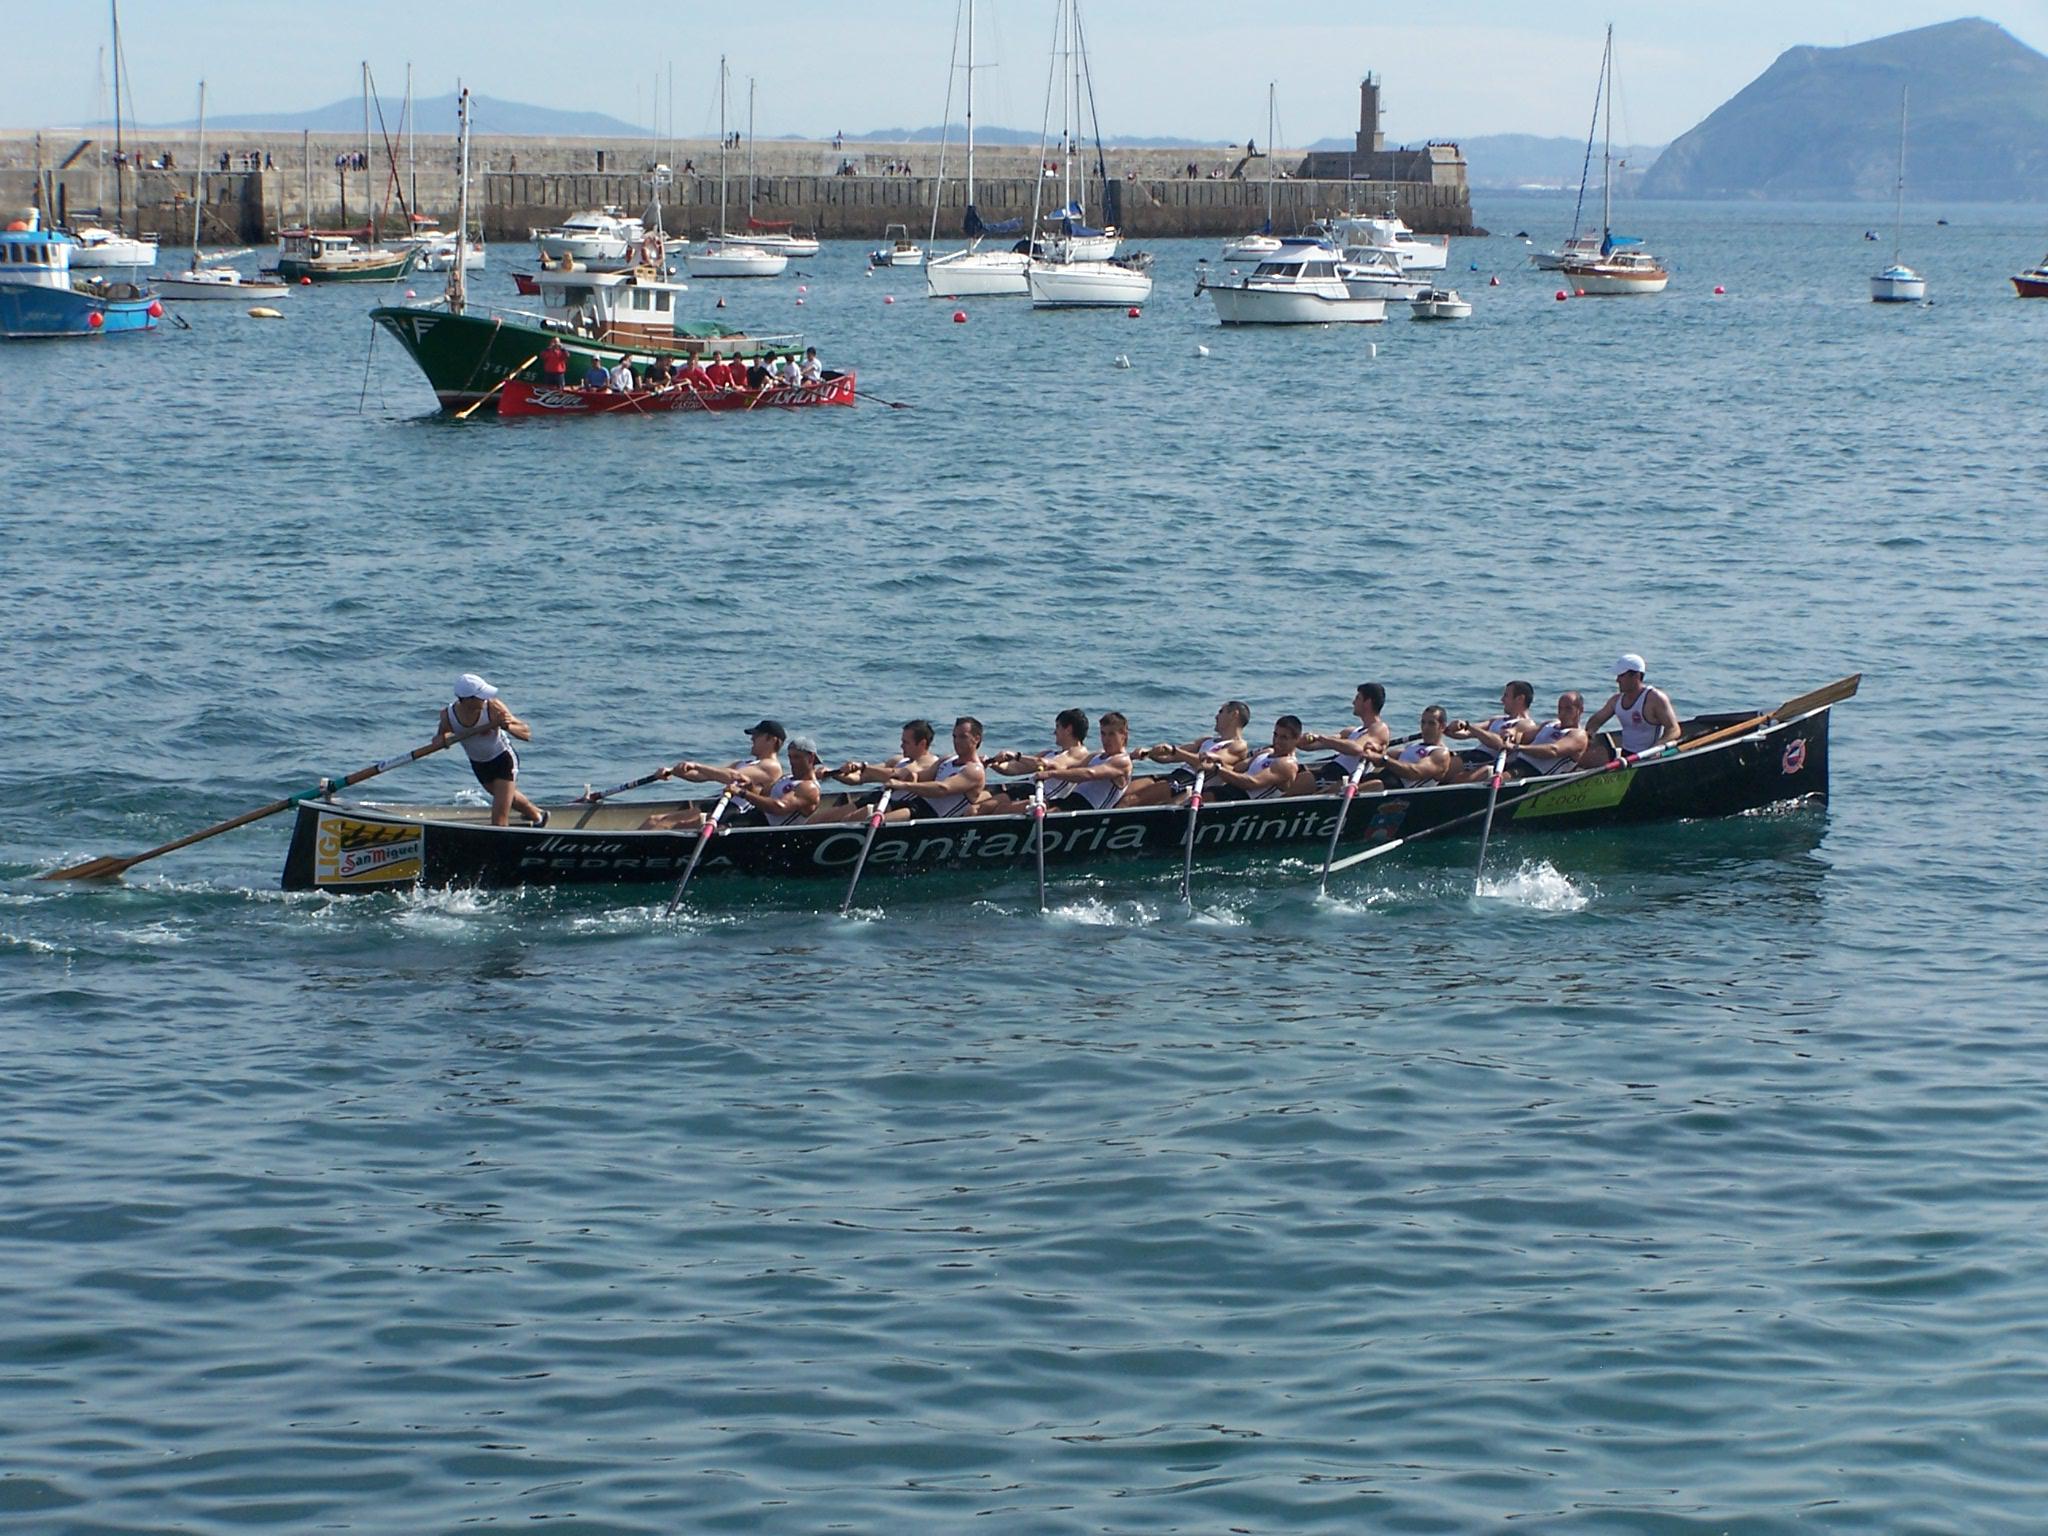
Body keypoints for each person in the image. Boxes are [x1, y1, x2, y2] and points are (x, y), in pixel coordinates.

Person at [432, 673, 545, 828]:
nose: (485, 699)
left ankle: (501, 847)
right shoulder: (448, 715)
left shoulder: (493, 707)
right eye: (480, 696)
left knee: (498, 820)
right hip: (479, 764)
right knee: (508, 798)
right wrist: (440, 740)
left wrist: (507, 726)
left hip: (503, 760)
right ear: (467, 700)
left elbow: (526, 732)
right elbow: (440, 737)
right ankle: (537, 816)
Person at [640, 720, 787, 830]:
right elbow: (703, 776)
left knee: (667, 824)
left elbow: (733, 776)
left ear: (771, 739)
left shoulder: (771, 766)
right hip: (717, 803)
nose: (752, 738)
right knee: (654, 820)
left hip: (732, 811)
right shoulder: (745, 762)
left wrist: (697, 765)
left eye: (757, 735)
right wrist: (674, 771)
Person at [1118, 701, 1253, 807]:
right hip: (1176, 775)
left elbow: (1206, 763)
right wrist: (1148, 753)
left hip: (1192, 782)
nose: (1216, 716)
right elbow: (1170, 757)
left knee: (1130, 801)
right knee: (1122, 794)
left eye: (1221, 712)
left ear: (1234, 714)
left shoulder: (1238, 745)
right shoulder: (1206, 740)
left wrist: (1175, 751)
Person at [810, 719, 941, 823]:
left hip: (894, 808)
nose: (901, 746)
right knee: (818, 819)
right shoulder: (898, 759)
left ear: (922, 744)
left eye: (906, 742)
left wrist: (862, 766)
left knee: (848, 821)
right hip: (876, 797)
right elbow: (861, 777)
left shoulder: (930, 764)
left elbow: (896, 774)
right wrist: (834, 773)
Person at [979, 709, 1094, 812]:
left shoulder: (1080, 753)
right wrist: (992, 763)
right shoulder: (1049, 753)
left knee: (996, 809)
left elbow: (1049, 764)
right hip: (1025, 787)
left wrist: (1016, 755)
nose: (1054, 732)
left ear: (1068, 729)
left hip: (1041, 794)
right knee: (978, 806)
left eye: (1057, 727)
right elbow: (1014, 768)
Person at [1292, 681, 1393, 790]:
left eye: (1358, 698)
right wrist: (1298, 741)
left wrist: (1321, 737)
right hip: (1328, 772)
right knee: (1294, 771)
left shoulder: (1380, 728)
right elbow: (1314, 746)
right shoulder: (1351, 731)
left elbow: (1357, 748)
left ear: (1367, 702)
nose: (1353, 702)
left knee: (1305, 778)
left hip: (1341, 777)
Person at [884, 716, 988, 821]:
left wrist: (903, 785)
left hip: (933, 817)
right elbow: (924, 776)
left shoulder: (975, 771)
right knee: (872, 809)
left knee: (881, 820)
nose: (956, 741)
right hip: (916, 804)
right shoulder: (947, 759)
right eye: (954, 736)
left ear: (976, 739)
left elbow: (942, 788)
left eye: (962, 737)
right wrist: (901, 775)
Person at [1586, 653, 1680, 759]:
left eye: (1621, 676)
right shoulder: (1616, 700)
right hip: (1627, 756)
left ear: (1636, 676)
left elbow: (1674, 729)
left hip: (1650, 756)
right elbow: (1596, 721)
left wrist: (1657, 747)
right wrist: (1590, 734)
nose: (1617, 680)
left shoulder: (1655, 699)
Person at [1038, 710, 1133, 811]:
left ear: (1124, 735)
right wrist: (1052, 767)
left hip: (1087, 810)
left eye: (1111, 734)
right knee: (1028, 805)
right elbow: (1072, 770)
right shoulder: (1096, 755)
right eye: (1103, 734)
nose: (1106, 739)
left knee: (1045, 811)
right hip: (1070, 800)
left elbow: (1090, 773)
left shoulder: (1123, 761)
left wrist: (1052, 774)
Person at [724, 734, 825, 829]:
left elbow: (779, 807)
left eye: (797, 757)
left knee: (721, 827)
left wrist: (743, 793)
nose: (792, 762)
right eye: (790, 757)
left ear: (811, 758)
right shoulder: (787, 777)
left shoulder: (809, 788)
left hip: (769, 830)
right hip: (755, 816)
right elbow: (764, 796)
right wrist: (750, 786)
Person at [1446, 681, 1538, 782]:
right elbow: (1467, 732)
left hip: (1490, 760)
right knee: (1441, 762)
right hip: (1475, 755)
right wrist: (1447, 729)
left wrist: (1468, 726)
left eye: (1506, 696)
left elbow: (1501, 743)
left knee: (1446, 768)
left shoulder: (1526, 724)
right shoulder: (1497, 719)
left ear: (1520, 699)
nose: (1502, 700)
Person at [1199, 714, 1303, 802]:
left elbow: (1252, 782)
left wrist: (1217, 770)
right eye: (1275, 735)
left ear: (1297, 739)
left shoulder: (1287, 764)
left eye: (1284, 738)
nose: (1277, 741)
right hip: (1232, 790)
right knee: (1199, 792)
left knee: (1207, 796)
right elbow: (1236, 770)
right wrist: (1218, 761)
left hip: (1246, 800)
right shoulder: (1267, 752)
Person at [1355, 706, 1455, 792]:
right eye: (1423, 722)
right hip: (1384, 778)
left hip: (1397, 790)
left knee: (1376, 784)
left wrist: (1383, 760)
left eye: (1431, 724)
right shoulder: (1414, 746)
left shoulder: (1440, 753)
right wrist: (1376, 750)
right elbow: (1385, 756)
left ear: (1442, 727)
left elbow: (1415, 773)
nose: (1425, 727)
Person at [1498, 691, 1594, 777]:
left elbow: (1553, 750)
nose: (1563, 713)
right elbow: (1523, 736)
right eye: (1560, 708)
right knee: (1487, 770)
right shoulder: (1550, 724)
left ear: (1580, 710)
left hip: (1536, 774)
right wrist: (1512, 733)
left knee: (1499, 778)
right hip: (1517, 763)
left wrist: (1517, 747)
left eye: (1568, 709)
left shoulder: (1578, 735)